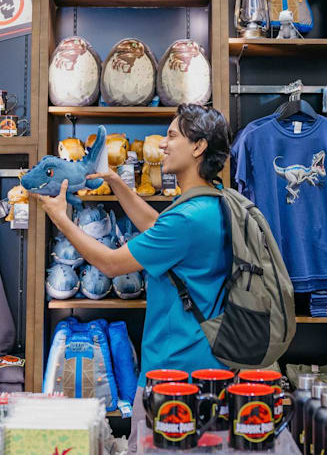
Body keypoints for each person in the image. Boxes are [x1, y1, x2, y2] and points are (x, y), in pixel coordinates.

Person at [37, 104, 233, 381]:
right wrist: (116, 181)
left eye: (172, 136)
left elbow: (111, 264)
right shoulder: (212, 201)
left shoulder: (186, 218)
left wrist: (61, 219)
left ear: (198, 147)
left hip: (176, 371)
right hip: (207, 361)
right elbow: (156, 227)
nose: (162, 144)